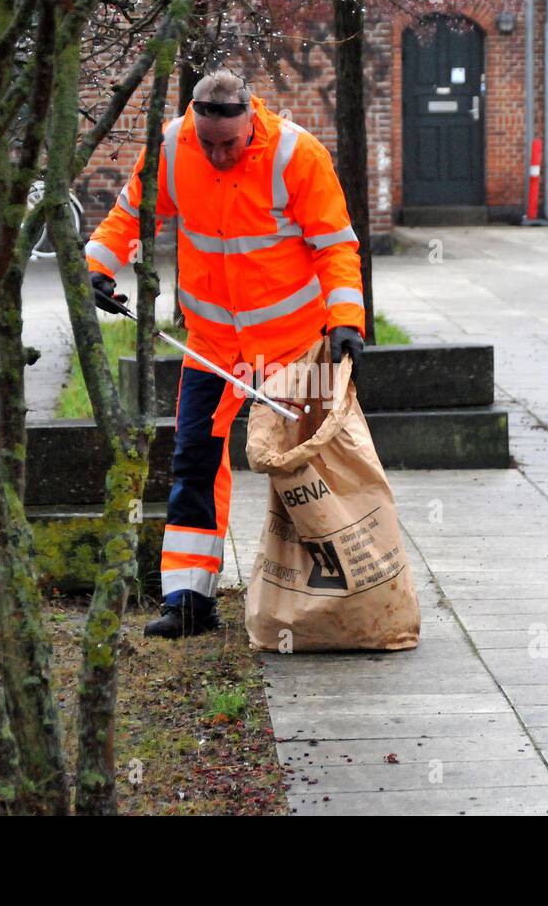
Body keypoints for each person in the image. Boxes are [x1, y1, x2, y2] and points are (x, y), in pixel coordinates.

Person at [85, 69, 365, 638]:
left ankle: (335, 590)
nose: (216, 155)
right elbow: (131, 215)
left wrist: (346, 322)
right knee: (194, 460)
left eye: (229, 145)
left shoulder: (295, 155)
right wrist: (95, 268)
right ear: (193, 123)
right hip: (212, 346)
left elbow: (333, 244)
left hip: (295, 347)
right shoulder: (172, 146)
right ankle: (189, 600)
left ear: (251, 124)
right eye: (207, 143)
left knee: (310, 468)